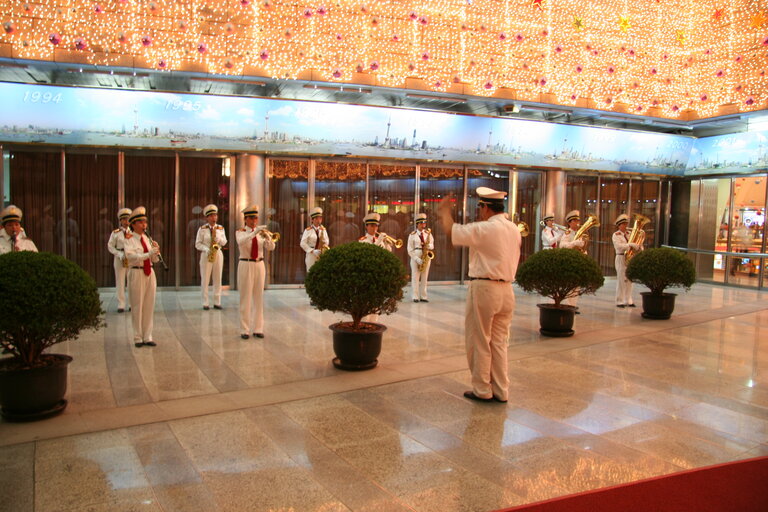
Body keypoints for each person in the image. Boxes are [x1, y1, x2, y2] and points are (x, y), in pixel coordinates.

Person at [438, 187, 521, 404]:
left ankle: (482, 389)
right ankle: (502, 390)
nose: (479, 211)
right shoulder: (513, 228)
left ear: (485, 207)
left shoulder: (487, 228)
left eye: (480, 207)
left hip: (485, 289)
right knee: (500, 343)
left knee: (480, 340)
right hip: (507, 290)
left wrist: (444, 211)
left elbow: (451, 230)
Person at [236, 205, 275, 340]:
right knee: (245, 298)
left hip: (259, 264)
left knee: (259, 297)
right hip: (245, 264)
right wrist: (254, 232)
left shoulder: (260, 233)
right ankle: (245, 329)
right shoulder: (240, 232)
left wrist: (269, 239)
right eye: (251, 218)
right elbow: (241, 242)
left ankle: (258, 328)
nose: (254, 221)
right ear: (245, 219)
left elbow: (271, 248)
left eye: (256, 218)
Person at [124, 206, 160, 348]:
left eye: (145, 222)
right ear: (133, 224)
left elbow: (154, 260)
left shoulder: (147, 238)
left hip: (149, 272)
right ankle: (137, 337)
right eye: (140, 222)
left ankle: (148, 335)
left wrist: (156, 253)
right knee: (137, 305)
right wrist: (148, 254)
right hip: (136, 272)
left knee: (149, 305)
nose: (144, 225)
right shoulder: (129, 238)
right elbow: (131, 257)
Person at [195, 204, 228, 310]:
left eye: (215, 215)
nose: (214, 218)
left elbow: (224, 242)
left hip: (218, 253)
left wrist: (219, 240)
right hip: (206, 254)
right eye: (212, 216)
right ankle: (205, 302)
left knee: (218, 278)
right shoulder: (202, 229)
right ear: (207, 217)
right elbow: (197, 244)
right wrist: (206, 249)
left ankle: (217, 302)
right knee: (205, 278)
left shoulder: (220, 228)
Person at [612, 213, 643, 308]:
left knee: (630, 279)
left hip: (630, 258)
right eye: (623, 224)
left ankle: (628, 299)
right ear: (619, 225)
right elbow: (618, 247)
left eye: (626, 224)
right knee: (621, 279)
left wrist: (639, 247)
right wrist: (630, 245)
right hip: (621, 257)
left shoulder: (630, 234)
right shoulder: (616, 235)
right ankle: (619, 300)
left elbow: (639, 244)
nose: (626, 226)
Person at [558, 210, 585, 313]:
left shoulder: (580, 233)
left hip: (578, 260)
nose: (577, 223)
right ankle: (568, 305)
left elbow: (583, 246)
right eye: (575, 221)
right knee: (569, 285)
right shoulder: (567, 233)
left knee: (576, 286)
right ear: (569, 222)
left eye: (578, 220)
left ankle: (573, 305)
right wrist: (574, 243)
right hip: (569, 261)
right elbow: (562, 245)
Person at [106, 207, 132, 313]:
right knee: (120, 281)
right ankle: (121, 304)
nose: (126, 222)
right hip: (119, 258)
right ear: (120, 221)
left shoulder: (134, 232)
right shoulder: (115, 233)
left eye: (128, 219)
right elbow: (110, 246)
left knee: (131, 281)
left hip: (131, 258)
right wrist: (119, 254)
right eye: (124, 219)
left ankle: (131, 303)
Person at [407, 213, 434, 302]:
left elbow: (432, 244)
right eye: (422, 224)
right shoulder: (412, 235)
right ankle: (415, 296)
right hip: (416, 255)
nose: (423, 225)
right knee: (415, 277)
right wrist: (417, 259)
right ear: (417, 224)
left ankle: (423, 296)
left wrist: (429, 246)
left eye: (424, 223)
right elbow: (409, 249)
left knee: (425, 277)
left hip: (426, 256)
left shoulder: (428, 234)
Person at [299, 206, 329, 271]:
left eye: (320, 218)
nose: (319, 220)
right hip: (311, 254)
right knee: (311, 271)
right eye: (317, 219)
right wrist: (312, 251)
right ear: (312, 220)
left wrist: (324, 243)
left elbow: (327, 241)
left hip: (321, 254)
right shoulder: (308, 230)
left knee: (321, 272)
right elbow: (302, 243)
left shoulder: (323, 229)